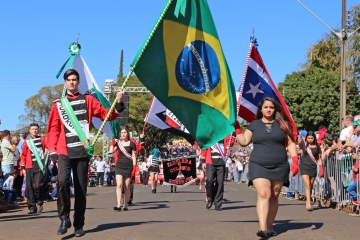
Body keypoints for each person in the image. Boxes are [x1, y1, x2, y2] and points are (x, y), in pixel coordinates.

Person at [46, 69, 126, 236]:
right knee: (62, 182)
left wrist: (118, 103)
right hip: (63, 151)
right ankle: (64, 219)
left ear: (78, 81)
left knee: (81, 189)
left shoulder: (88, 100)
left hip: (82, 151)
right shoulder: (58, 104)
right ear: (65, 82)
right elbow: (53, 129)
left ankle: (78, 224)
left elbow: (106, 115)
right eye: (69, 80)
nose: (72, 82)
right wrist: (52, 150)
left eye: (75, 79)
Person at [236, 97, 298, 238]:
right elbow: (244, 142)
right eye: (266, 107)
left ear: (275, 109)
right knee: (264, 194)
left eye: (271, 107)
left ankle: (270, 227)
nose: (268, 109)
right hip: (258, 164)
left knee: (274, 196)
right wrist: (238, 129)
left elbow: (290, 143)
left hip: (279, 164)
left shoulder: (283, 125)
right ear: (261, 109)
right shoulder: (254, 125)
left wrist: (295, 160)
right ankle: (263, 228)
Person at [201, 134, 235, 211]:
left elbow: (231, 143)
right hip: (210, 162)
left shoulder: (225, 135)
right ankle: (210, 198)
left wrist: (234, 132)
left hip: (221, 162)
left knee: (220, 183)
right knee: (209, 180)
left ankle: (218, 203)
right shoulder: (210, 135)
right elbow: (204, 147)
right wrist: (203, 161)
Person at [20, 123, 47, 214]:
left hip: (39, 166)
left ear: (38, 130)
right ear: (30, 130)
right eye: (33, 129)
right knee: (29, 187)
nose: (35, 130)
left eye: (36, 129)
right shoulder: (26, 141)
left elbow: (46, 149)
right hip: (29, 166)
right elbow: (23, 155)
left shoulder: (42, 139)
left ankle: (39, 202)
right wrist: (23, 167)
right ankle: (32, 207)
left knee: (38, 185)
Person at [110, 127, 136, 211]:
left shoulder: (132, 144)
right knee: (119, 185)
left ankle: (125, 205)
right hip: (120, 165)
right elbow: (111, 151)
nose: (123, 134)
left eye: (125, 132)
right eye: (122, 132)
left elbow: (133, 156)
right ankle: (118, 205)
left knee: (126, 186)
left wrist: (134, 167)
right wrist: (112, 143)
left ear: (127, 133)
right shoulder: (118, 143)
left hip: (128, 166)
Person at [299, 131, 322, 211]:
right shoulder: (303, 145)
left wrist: (321, 168)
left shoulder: (317, 147)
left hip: (313, 167)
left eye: (312, 138)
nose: (310, 140)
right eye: (308, 138)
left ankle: (307, 200)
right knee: (307, 185)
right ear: (306, 138)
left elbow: (318, 158)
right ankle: (308, 204)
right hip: (304, 166)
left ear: (314, 138)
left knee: (311, 186)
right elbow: (298, 142)